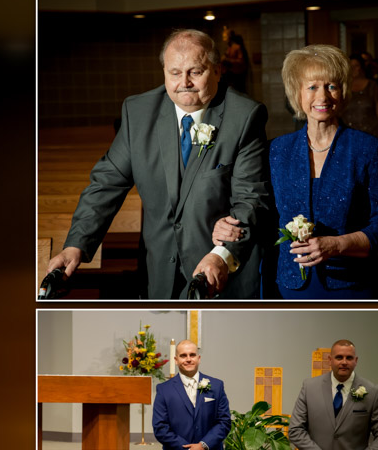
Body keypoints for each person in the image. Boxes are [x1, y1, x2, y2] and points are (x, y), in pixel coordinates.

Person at [49, 29, 269, 299]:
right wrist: (76, 246)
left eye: (195, 72)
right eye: (175, 72)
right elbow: (106, 184)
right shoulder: (139, 113)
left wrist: (221, 255)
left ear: (217, 70)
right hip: (158, 273)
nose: (184, 82)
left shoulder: (245, 116)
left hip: (220, 273)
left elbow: (251, 200)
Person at [211, 44, 378, 299]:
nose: (323, 96)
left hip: (351, 284)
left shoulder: (368, 149)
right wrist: (224, 224)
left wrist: (337, 244)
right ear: (297, 94)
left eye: (332, 86)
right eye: (312, 87)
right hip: (287, 284)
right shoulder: (276, 150)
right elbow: (259, 210)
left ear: (342, 92)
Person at [342, 54, 378, 140]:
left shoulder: (372, 86)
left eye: (356, 65)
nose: (353, 68)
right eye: (351, 66)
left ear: (361, 67)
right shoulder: (343, 87)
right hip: (349, 135)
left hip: (371, 134)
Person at [221, 30, 251, 95]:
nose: (224, 39)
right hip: (229, 74)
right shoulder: (228, 48)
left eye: (225, 37)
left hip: (237, 74)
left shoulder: (237, 47)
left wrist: (229, 60)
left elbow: (241, 61)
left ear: (230, 37)